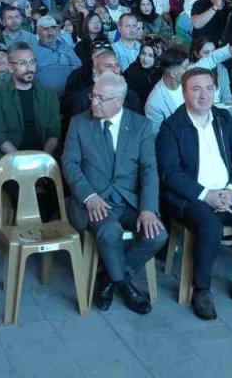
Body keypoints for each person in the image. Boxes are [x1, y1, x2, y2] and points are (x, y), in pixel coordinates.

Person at [156, 68, 232, 320]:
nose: (203, 95)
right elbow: (169, 173)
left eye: (209, 88)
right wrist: (206, 195)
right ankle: (201, 289)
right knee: (210, 226)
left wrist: (231, 190)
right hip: (190, 197)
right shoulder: (171, 126)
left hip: (227, 193)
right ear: (184, 93)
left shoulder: (224, 118)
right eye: (195, 89)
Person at [61, 73, 164, 315]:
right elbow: (70, 164)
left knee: (158, 235)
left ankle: (109, 278)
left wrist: (148, 208)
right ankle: (126, 287)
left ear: (119, 101)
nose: (93, 102)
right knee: (108, 231)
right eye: (93, 96)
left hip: (128, 200)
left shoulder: (140, 125)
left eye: (100, 98)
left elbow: (149, 170)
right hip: (93, 200)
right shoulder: (79, 123)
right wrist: (89, 196)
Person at [0, 42, 60, 162]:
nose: (29, 68)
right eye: (23, 63)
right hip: (10, 158)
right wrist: (21, 161)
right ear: (10, 67)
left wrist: (43, 160)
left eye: (32, 62)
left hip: (43, 158)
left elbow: (54, 132)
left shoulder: (48, 94)